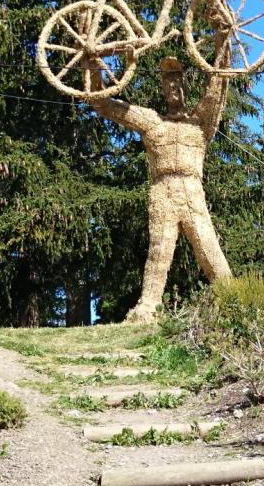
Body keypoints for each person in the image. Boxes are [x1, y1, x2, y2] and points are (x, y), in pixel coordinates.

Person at [86, 24, 234, 322]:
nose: (173, 87)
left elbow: (218, 84)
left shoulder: (200, 123)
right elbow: (101, 101)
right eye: (167, 82)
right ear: (161, 88)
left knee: (209, 248)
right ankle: (147, 308)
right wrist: (92, 61)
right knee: (159, 250)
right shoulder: (151, 122)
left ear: (185, 85)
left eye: (177, 81)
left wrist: (221, 37)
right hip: (162, 190)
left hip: (192, 190)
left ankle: (235, 302)